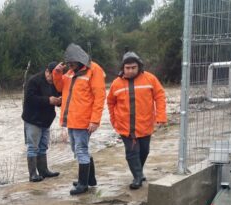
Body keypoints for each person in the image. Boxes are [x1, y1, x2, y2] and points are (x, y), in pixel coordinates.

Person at [106, 51, 167, 189]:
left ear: (139, 66)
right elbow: (110, 103)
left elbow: (160, 96)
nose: (130, 70)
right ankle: (137, 177)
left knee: (144, 151)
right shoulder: (116, 83)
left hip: (145, 124)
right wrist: (113, 120)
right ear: (123, 68)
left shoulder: (150, 79)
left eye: (133, 67)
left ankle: (138, 171)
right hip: (125, 126)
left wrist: (161, 116)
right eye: (127, 68)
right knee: (132, 152)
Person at [53, 44, 106, 195]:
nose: (70, 66)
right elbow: (60, 87)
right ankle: (90, 179)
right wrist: (57, 73)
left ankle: (83, 184)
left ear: (80, 60)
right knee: (77, 149)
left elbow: (99, 97)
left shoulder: (94, 70)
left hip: (84, 120)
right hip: (71, 119)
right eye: (68, 63)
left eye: (72, 63)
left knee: (81, 150)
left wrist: (95, 120)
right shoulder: (70, 72)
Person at [22, 62, 62, 182]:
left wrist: (59, 101)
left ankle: (43, 171)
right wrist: (48, 100)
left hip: (46, 120)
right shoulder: (34, 81)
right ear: (47, 71)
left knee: (43, 146)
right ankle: (33, 174)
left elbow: (58, 97)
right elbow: (29, 99)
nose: (53, 80)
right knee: (32, 147)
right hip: (32, 119)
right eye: (52, 76)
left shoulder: (56, 82)